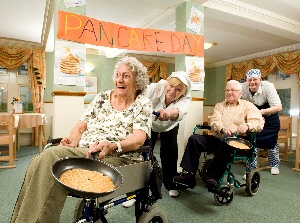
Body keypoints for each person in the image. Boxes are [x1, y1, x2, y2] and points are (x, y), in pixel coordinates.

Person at [11, 56, 153, 223]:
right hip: (86, 151)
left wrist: (113, 146)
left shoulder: (143, 104)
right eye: (118, 74)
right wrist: (73, 139)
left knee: (51, 157)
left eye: (126, 76)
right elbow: (80, 126)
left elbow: (138, 139)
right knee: (38, 161)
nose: (119, 79)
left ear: (138, 81)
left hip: (116, 157)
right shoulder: (101, 98)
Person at [173, 80, 264, 189]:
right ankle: (189, 176)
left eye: (233, 90)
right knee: (194, 139)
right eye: (227, 90)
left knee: (227, 140)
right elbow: (214, 121)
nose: (230, 92)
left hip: (237, 142)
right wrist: (222, 128)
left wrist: (247, 126)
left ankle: (214, 177)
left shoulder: (248, 106)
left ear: (240, 93)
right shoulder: (219, 106)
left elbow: (258, 123)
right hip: (219, 137)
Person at [122, 71, 191, 208]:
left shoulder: (186, 98)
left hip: (169, 126)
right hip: (148, 124)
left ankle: (171, 184)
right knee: (141, 156)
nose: (173, 91)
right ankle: (134, 193)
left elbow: (180, 111)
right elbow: (138, 99)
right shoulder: (155, 88)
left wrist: (168, 113)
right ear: (167, 84)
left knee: (169, 156)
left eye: (178, 89)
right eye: (171, 86)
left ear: (183, 92)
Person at [242, 68, 282, 176]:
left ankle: (274, 165)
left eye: (255, 79)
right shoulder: (243, 88)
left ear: (260, 79)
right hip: (254, 119)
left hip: (270, 117)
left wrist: (260, 112)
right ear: (246, 81)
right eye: (249, 80)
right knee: (252, 142)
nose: (252, 82)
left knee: (273, 144)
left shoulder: (269, 86)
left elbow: (278, 107)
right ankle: (251, 170)